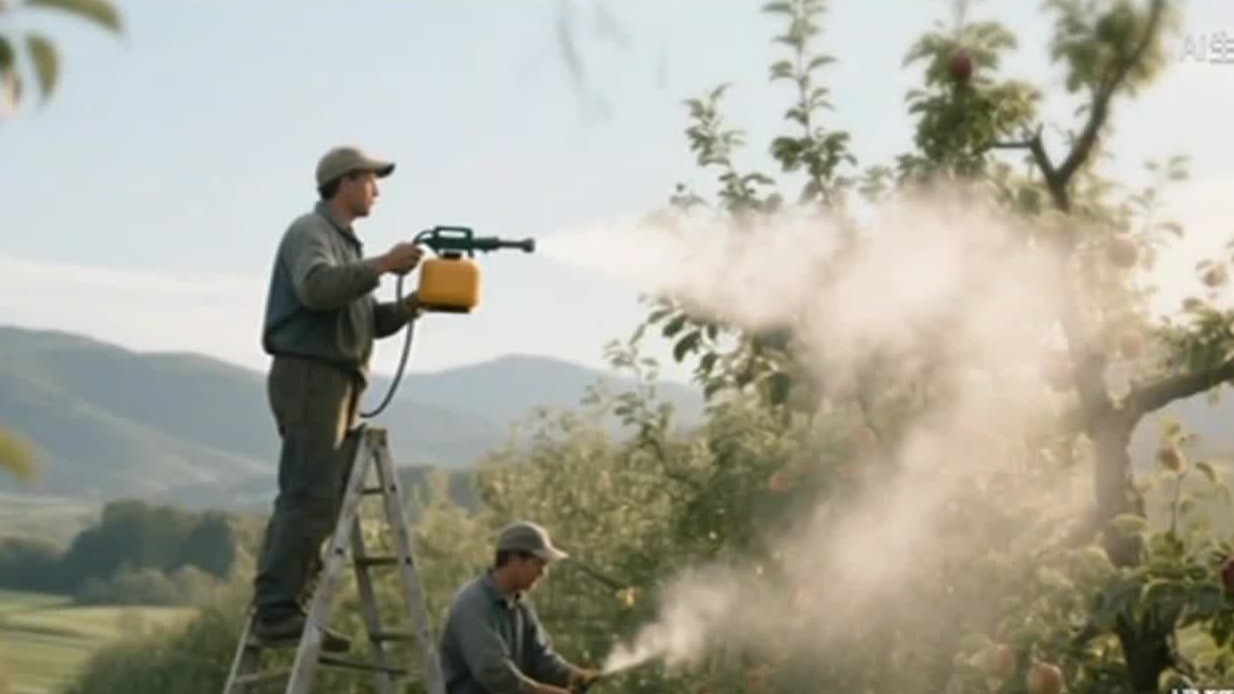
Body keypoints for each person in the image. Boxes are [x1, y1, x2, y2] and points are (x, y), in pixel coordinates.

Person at [249, 144, 426, 652]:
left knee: (324, 500)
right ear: (345, 181)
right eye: (371, 180)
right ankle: (277, 611)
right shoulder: (312, 234)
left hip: (340, 381)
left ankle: (286, 605)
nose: (377, 190)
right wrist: (384, 264)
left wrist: (415, 303)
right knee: (308, 493)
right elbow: (315, 290)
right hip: (311, 377)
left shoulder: (346, 246)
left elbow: (365, 318)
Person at [439, 521, 602, 694]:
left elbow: (540, 656)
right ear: (515, 560)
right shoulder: (472, 604)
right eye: (539, 563)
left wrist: (572, 675)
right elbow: (494, 673)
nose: (543, 573)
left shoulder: (521, 605)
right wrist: (540, 692)